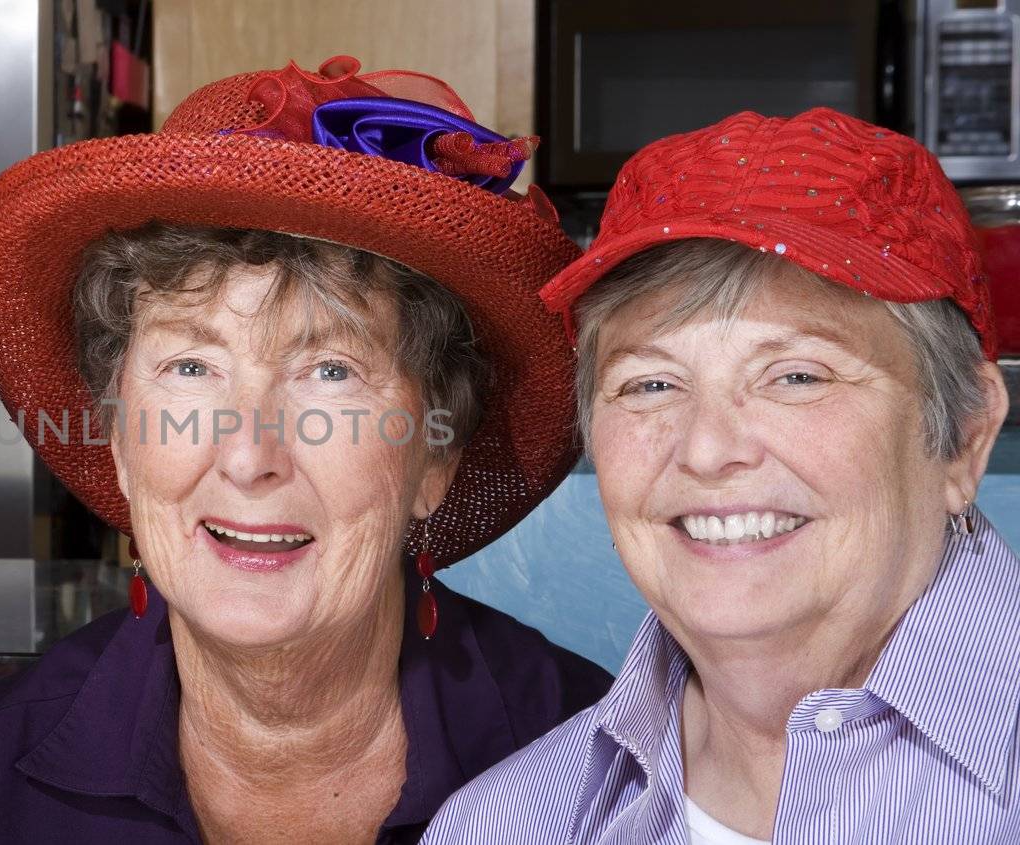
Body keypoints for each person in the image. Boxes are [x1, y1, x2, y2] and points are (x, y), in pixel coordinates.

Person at [0, 57, 612, 844]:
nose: (250, 455)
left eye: (331, 370)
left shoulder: (598, 769)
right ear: (119, 437)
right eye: (192, 367)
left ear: (435, 455)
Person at [424, 108, 1017, 844]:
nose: (707, 449)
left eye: (796, 375)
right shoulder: (504, 824)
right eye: (649, 384)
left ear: (962, 435)